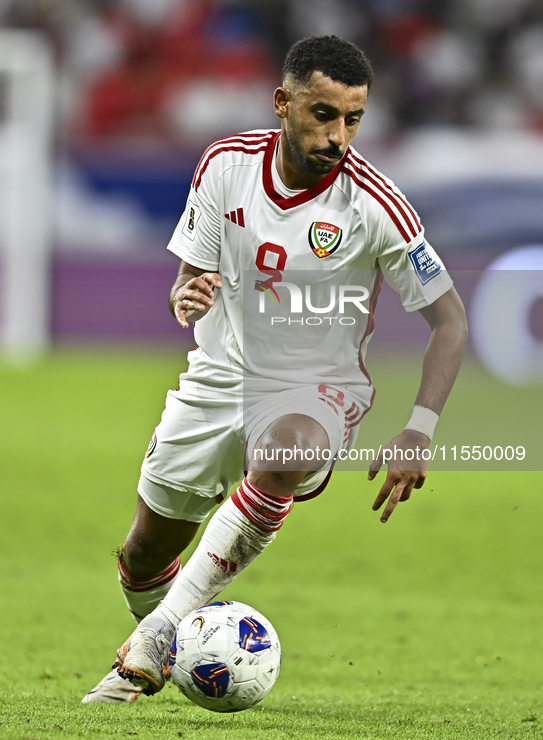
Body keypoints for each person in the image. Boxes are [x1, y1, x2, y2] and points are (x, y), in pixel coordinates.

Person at [82, 35, 467, 704]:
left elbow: (451, 320)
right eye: (323, 114)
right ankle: (173, 645)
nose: (337, 135)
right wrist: (184, 293)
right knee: (142, 555)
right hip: (216, 378)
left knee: (284, 453)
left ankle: (159, 636)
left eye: (352, 119)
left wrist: (419, 428)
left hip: (314, 388)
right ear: (283, 103)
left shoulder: (375, 205)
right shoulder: (225, 166)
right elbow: (191, 273)